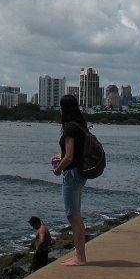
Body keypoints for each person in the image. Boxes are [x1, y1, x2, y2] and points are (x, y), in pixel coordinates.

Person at [51, 94, 88, 266]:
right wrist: (60, 155)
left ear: (64, 109)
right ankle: (80, 255)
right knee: (76, 215)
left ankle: (80, 257)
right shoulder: (80, 125)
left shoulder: (69, 129)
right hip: (79, 173)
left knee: (72, 215)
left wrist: (58, 169)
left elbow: (70, 157)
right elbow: (73, 153)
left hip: (71, 174)